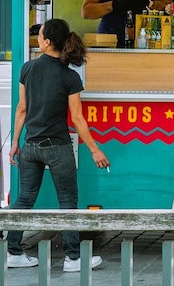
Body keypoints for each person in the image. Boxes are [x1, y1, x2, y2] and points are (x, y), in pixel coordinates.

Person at [7, 18, 108, 271]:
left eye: (39, 36)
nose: (37, 39)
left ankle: (13, 252)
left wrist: (15, 142)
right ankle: (73, 258)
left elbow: (22, 109)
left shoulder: (27, 69)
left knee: (25, 199)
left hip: (30, 145)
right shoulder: (69, 76)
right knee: (67, 202)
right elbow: (76, 118)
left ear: (48, 41)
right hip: (58, 147)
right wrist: (95, 149)